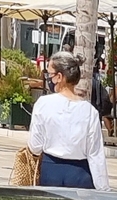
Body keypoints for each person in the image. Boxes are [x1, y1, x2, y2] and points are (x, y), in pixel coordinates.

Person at [23, 48, 100, 188]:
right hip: (80, 173)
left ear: (59, 77)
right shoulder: (90, 111)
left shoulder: (43, 104)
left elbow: (35, 146)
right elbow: (96, 155)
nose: (49, 79)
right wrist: (104, 189)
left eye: (50, 75)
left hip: (51, 171)